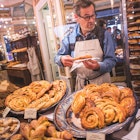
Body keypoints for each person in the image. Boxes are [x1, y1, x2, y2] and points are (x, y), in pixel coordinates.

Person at [54, 0, 116, 91]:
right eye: (87, 17)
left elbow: (112, 60)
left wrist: (98, 66)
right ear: (76, 17)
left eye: (93, 15)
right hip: (81, 85)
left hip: (102, 83)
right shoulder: (70, 37)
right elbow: (57, 57)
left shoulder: (104, 35)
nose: (91, 20)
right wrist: (61, 60)